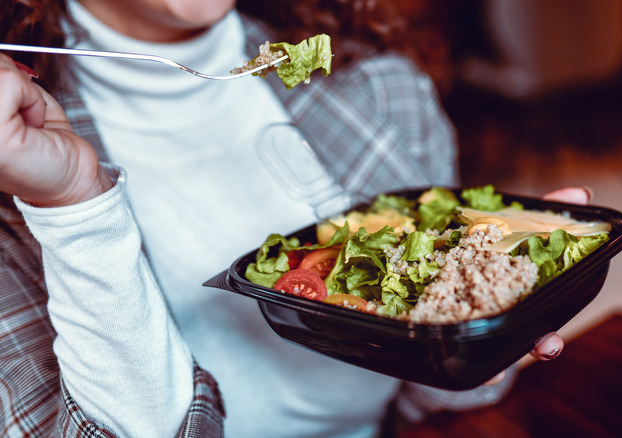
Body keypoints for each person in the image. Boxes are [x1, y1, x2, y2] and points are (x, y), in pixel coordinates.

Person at [0, 0, 581, 436]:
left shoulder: (382, 89)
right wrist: (76, 206)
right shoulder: (16, 163)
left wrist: (482, 336)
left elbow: (433, 390)